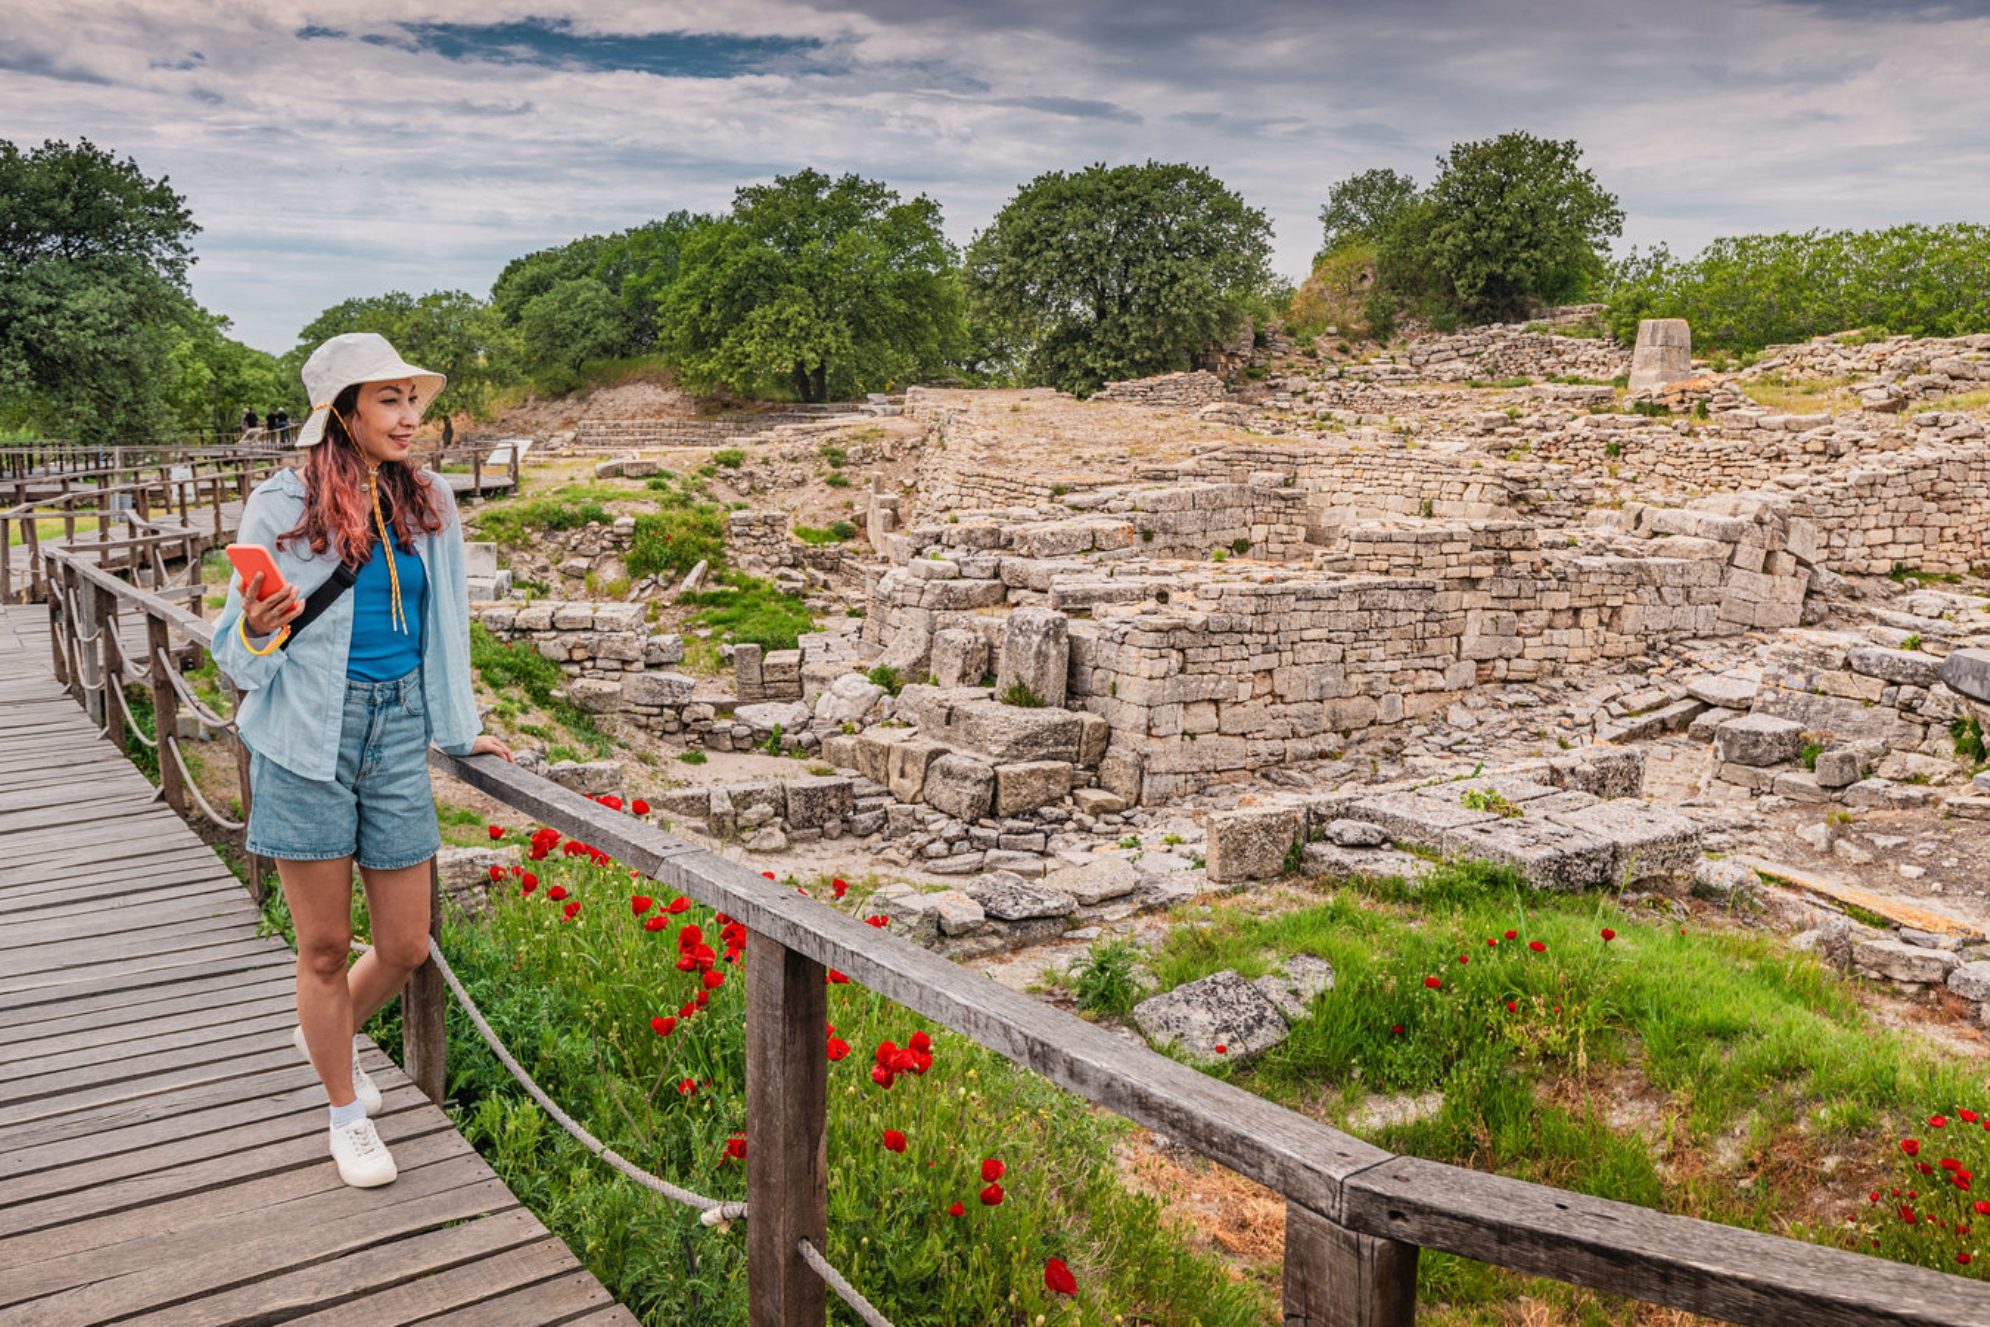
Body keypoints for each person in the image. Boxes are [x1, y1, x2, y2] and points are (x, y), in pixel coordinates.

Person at [213, 331, 512, 1188]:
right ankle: (346, 1111)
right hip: (307, 732)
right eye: (390, 399)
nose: (410, 416)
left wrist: (459, 726)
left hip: (399, 727)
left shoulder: (431, 500)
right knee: (322, 947)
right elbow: (233, 654)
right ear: (341, 411)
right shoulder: (280, 505)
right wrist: (258, 627)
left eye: (412, 398)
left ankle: (324, 1030)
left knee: (406, 942)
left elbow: (447, 625)